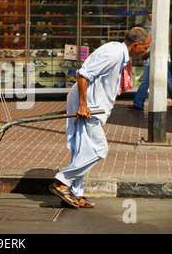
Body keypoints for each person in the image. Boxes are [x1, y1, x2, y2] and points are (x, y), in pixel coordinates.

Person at [48, 27, 151, 208]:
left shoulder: (118, 50)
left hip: (93, 104)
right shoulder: (115, 54)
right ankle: (61, 182)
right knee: (98, 149)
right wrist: (83, 104)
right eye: (145, 47)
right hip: (89, 106)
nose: (146, 51)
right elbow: (83, 74)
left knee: (82, 149)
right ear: (136, 45)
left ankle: (74, 192)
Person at [129, 14, 172, 110]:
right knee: (148, 81)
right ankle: (138, 102)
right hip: (153, 59)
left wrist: (147, 54)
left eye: (152, 13)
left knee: (165, 81)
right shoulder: (155, 27)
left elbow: (159, 44)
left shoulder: (162, 27)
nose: (149, 15)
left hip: (159, 58)